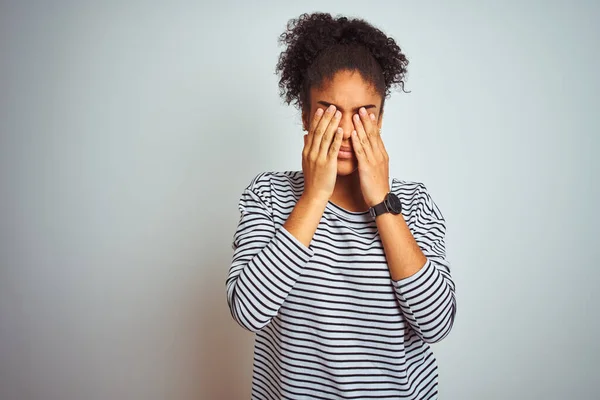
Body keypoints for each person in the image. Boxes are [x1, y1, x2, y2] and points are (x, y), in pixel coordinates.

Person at [226, 12, 456, 400]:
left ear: (380, 119)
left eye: (363, 114)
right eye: (330, 111)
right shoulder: (268, 195)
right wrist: (314, 195)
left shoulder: (414, 204)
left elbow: (436, 324)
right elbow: (248, 311)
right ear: (304, 114)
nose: (347, 131)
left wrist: (382, 201)